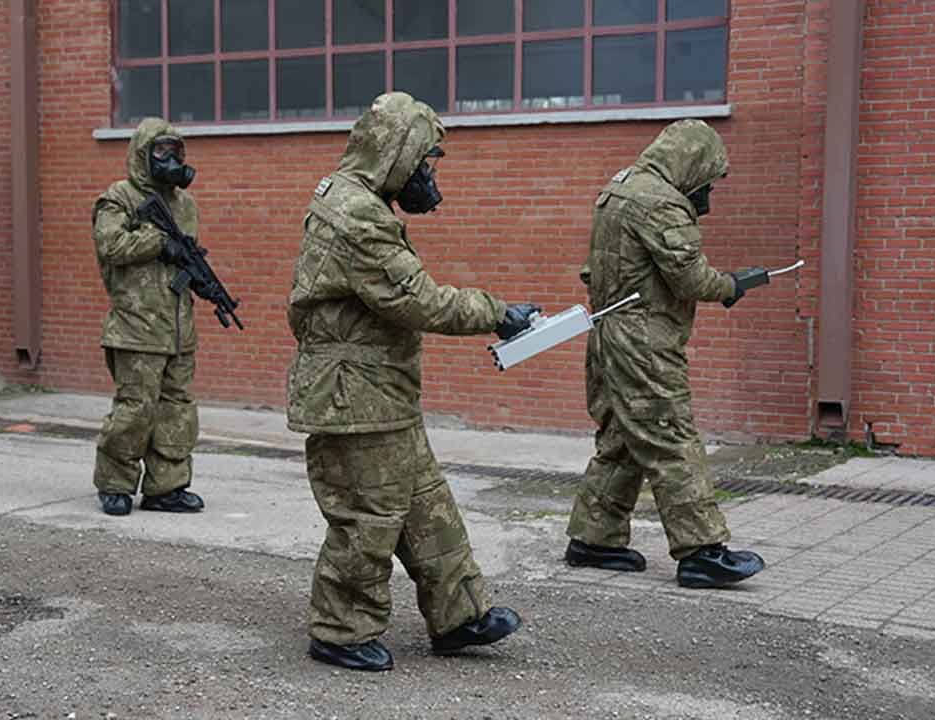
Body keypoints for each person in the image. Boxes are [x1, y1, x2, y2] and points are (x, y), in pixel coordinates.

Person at [286, 92, 537, 672]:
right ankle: (341, 630)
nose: (428, 173)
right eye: (425, 159)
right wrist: (498, 313)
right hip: (353, 399)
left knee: (427, 505)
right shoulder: (357, 216)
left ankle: (459, 615)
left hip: (379, 393)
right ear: (395, 153)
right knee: (368, 517)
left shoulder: (357, 199)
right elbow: (417, 300)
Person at [563, 119, 766, 589]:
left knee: (621, 439)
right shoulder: (660, 201)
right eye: (707, 184)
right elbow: (689, 278)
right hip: (645, 342)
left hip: (608, 332)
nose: (707, 197)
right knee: (671, 436)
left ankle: (594, 538)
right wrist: (732, 285)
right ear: (691, 166)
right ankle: (701, 552)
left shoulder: (620, 187)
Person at [91, 118, 204, 517]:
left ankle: (167, 488)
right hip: (136, 328)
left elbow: (184, 259)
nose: (170, 159)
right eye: (161, 151)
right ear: (142, 153)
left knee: (177, 412)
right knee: (134, 410)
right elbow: (111, 245)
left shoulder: (185, 205)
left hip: (177, 329)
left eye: (176, 151)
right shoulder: (118, 198)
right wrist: (159, 242)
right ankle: (116, 483)